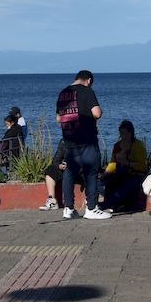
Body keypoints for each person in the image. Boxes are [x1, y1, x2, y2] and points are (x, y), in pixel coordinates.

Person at [55, 70, 110, 220]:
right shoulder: (87, 91)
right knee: (91, 172)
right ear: (89, 80)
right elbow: (97, 113)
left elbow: (59, 118)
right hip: (86, 139)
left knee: (70, 173)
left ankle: (69, 208)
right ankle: (91, 208)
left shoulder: (63, 93)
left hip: (69, 140)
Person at [100, 120, 148, 212]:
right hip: (120, 172)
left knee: (128, 184)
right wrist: (104, 175)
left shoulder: (138, 145)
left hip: (136, 174)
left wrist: (127, 162)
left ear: (131, 133)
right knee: (110, 181)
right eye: (121, 134)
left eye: (126, 134)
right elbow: (112, 164)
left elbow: (142, 166)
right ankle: (113, 204)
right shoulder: (117, 146)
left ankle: (107, 204)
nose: (123, 136)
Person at [38, 139, 67, 211]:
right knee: (50, 170)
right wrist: (59, 166)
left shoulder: (84, 141)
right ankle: (52, 200)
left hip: (79, 171)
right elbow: (56, 160)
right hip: (66, 169)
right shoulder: (63, 142)